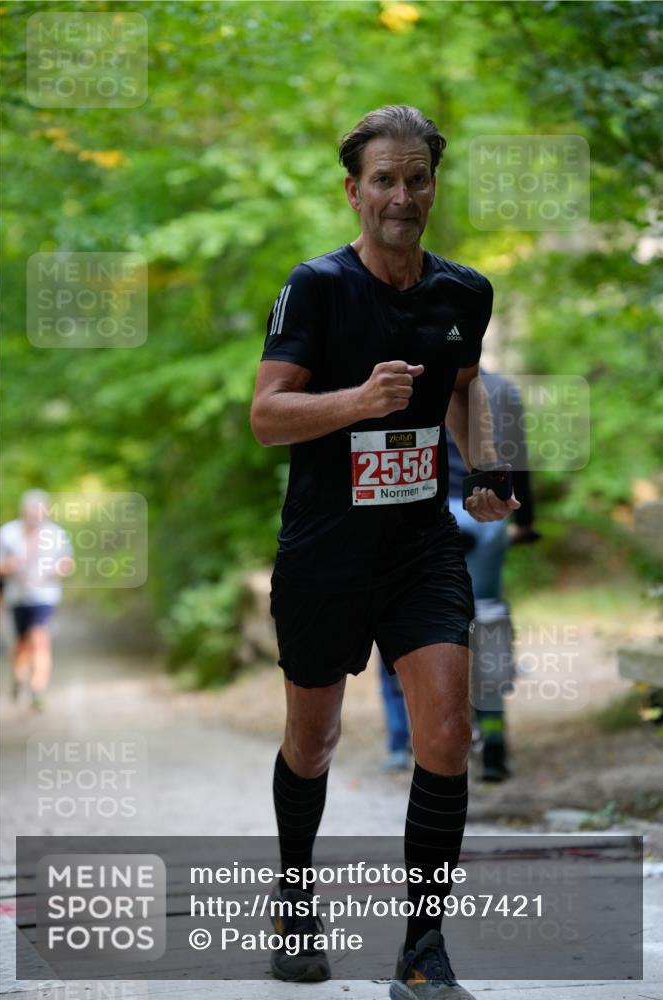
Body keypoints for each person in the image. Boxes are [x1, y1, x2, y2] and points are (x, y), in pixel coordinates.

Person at [250, 105, 519, 998]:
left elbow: (464, 389)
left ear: (433, 185)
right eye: (383, 180)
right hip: (326, 551)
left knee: (444, 735)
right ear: (354, 190)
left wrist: (484, 466)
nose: (401, 196)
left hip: (418, 548)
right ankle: (295, 902)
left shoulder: (463, 292)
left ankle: (421, 949)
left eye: (416, 179)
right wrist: (355, 402)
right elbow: (266, 416)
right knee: (314, 740)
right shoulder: (316, 287)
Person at [377, 368, 539, 781]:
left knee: (409, 620)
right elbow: (518, 457)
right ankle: (496, 744)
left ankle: (404, 742)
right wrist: (524, 519)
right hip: (487, 510)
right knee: (486, 617)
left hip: (428, 513)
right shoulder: (504, 388)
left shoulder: (407, 379)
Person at [0, 490, 74, 710]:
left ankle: (38, 688)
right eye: (31, 511)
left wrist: (55, 571)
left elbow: (67, 561)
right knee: (22, 644)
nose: (36, 516)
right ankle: (19, 678)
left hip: (45, 596)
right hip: (17, 596)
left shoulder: (56, 534)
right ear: (23, 511)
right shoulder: (8, 533)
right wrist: (8, 567)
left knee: (40, 639)